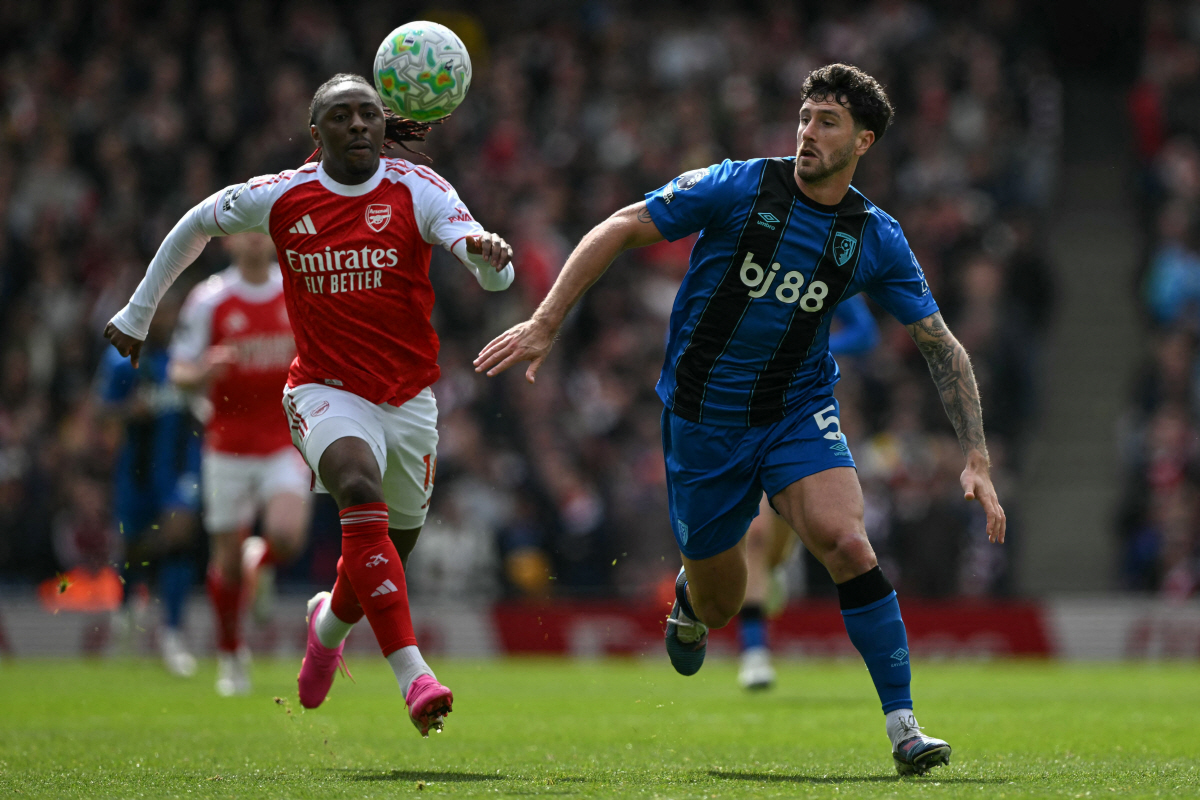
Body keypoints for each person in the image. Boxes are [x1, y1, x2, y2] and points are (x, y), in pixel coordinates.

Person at [475, 63, 1005, 775]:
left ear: (864, 140)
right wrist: (545, 323)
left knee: (847, 542)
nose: (808, 132)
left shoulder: (873, 235)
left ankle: (904, 728)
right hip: (702, 424)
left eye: (828, 122)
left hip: (796, 410)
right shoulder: (738, 185)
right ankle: (691, 601)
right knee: (723, 601)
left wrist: (976, 456)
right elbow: (624, 225)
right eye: (806, 117)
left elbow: (940, 345)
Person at [104, 73, 515, 736]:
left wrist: (490, 257)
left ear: (384, 127)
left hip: (408, 400)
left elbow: (489, 267)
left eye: (368, 116)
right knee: (357, 487)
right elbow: (194, 224)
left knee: (386, 547)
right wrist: (137, 309)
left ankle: (326, 628)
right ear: (315, 132)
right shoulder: (282, 195)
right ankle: (415, 677)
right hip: (323, 390)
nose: (358, 126)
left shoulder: (419, 189)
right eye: (342, 116)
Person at [168, 232, 312, 697]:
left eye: (261, 230)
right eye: (244, 231)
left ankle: (262, 560)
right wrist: (204, 370)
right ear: (228, 242)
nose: (253, 239)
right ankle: (232, 655)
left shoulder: (295, 290)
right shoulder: (209, 299)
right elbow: (178, 370)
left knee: (287, 537)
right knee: (226, 565)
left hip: (282, 437)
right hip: (225, 443)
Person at [738, 293, 879, 691]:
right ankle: (754, 654)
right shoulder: (747, 254)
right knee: (757, 534)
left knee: (781, 544)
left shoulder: (828, 258)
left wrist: (804, 347)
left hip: (804, 414)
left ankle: (771, 571)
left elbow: (865, 333)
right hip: (747, 413)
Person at [95, 292, 200, 678]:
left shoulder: (187, 360)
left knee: (178, 538)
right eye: (161, 314)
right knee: (136, 545)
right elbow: (101, 409)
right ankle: (126, 613)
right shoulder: (123, 358)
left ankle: (173, 634)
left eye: (172, 313)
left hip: (178, 467)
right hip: (137, 470)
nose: (167, 321)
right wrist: (129, 411)